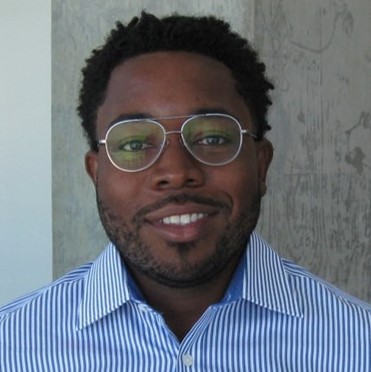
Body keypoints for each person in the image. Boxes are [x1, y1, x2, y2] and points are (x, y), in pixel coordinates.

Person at [0, 12, 370, 371]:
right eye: (133, 144)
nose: (176, 172)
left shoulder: (358, 345)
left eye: (212, 137)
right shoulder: (11, 347)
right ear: (95, 173)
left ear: (261, 165)